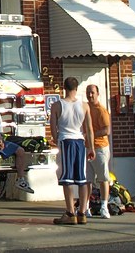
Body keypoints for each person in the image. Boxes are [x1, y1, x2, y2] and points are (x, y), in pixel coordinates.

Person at [50, 77, 95, 225]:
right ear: (77, 88)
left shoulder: (57, 105)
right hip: (80, 142)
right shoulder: (84, 106)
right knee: (82, 179)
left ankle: (70, 212)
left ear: (64, 87)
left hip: (65, 140)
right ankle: (82, 212)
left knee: (67, 178)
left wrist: (57, 141)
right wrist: (92, 147)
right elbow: (89, 128)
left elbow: (53, 128)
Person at [86, 84, 113, 219]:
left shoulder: (101, 110)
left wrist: (91, 135)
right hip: (86, 148)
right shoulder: (84, 107)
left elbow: (106, 130)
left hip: (100, 148)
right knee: (87, 180)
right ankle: (85, 207)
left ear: (97, 94)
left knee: (103, 178)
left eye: (92, 93)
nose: (90, 95)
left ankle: (104, 206)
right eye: (88, 93)